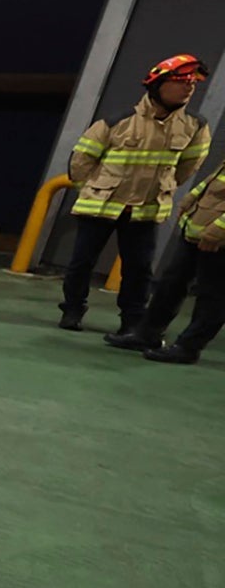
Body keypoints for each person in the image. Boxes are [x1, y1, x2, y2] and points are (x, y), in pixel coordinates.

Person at [56, 54, 211, 337]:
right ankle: (73, 309)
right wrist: (95, 188)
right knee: (81, 262)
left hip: (146, 210)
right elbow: (82, 161)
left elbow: (189, 166)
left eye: (192, 82)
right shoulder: (118, 121)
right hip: (102, 205)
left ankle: (132, 321)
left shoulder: (195, 126)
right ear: (158, 85)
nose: (188, 88)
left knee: (139, 269)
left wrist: (163, 186)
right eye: (180, 81)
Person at [107, 161, 225, 364]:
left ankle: (188, 347)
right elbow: (214, 180)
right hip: (198, 228)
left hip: (217, 238)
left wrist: (219, 231)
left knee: (212, 295)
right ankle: (147, 335)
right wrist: (190, 199)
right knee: (171, 282)